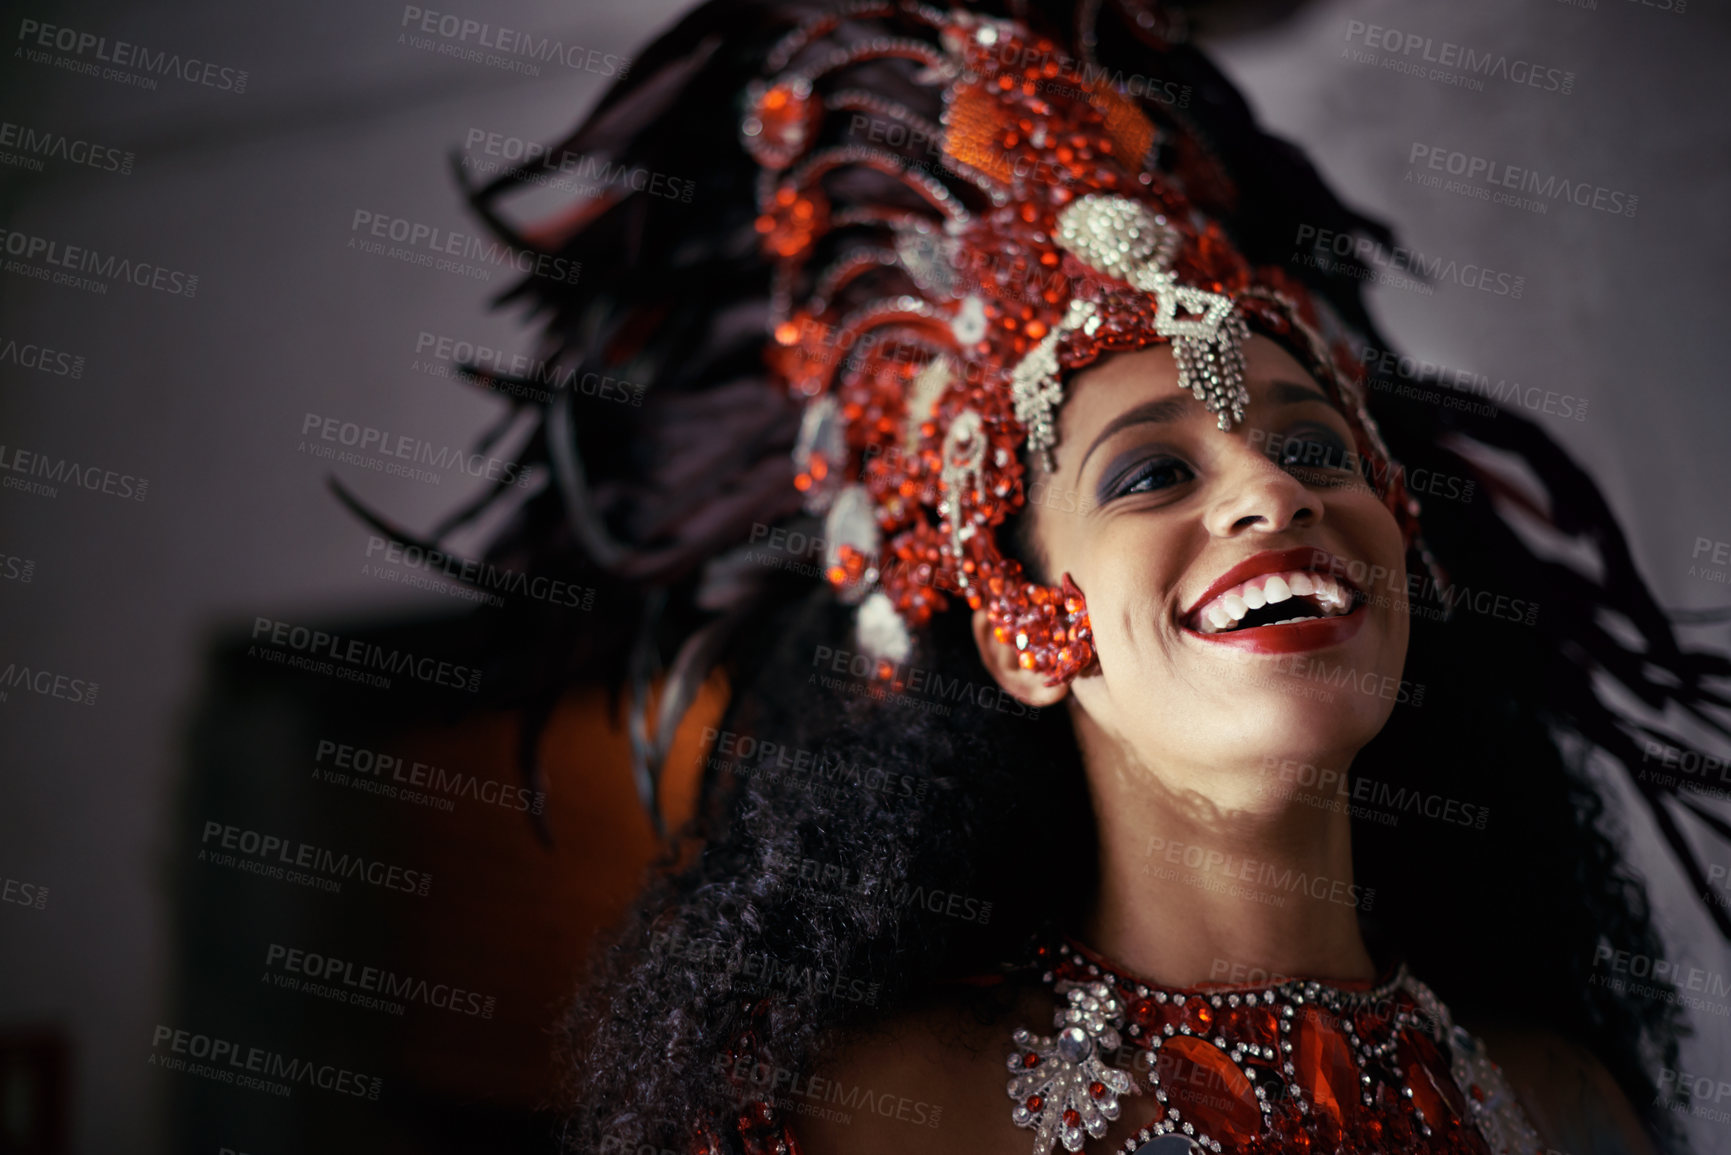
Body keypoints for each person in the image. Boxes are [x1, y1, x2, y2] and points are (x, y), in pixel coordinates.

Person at [371, 1, 1731, 1151]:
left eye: (1316, 447)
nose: (1273, 491)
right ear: (1026, 633)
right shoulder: (872, 1119)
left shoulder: (1566, 1106)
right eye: (1151, 475)